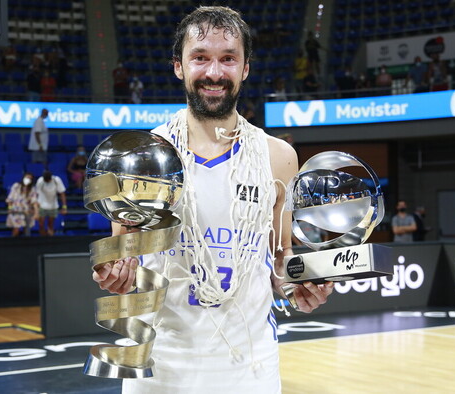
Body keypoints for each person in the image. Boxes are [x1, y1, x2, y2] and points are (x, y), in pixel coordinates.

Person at [92, 7, 333, 393]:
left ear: (246, 68)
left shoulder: (278, 157)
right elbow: (125, 260)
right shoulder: (139, 157)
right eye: (200, 57)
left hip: (249, 367)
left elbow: (278, 257)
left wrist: (299, 286)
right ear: (178, 66)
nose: (215, 73)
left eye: (228, 59)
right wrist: (115, 274)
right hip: (160, 367)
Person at [6, 172, 39, 237]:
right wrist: (9, 208)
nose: (28, 179)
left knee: (26, 230)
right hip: (15, 211)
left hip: (26, 211)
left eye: (30, 178)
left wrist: (36, 213)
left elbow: (34, 201)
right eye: (27, 177)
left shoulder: (32, 189)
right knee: (16, 230)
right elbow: (10, 199)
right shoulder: (16, 186)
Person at [36, 170, 67, 236]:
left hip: (53, 206)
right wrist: (36, 207)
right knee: (41, 225)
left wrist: (64, 207)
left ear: (51, 178)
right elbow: (36, 194)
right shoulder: (40, 181)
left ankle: (50, 241)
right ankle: (43, 239)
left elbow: (62, 193)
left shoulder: (56, 180)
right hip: (41, 205)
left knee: (50, 225)